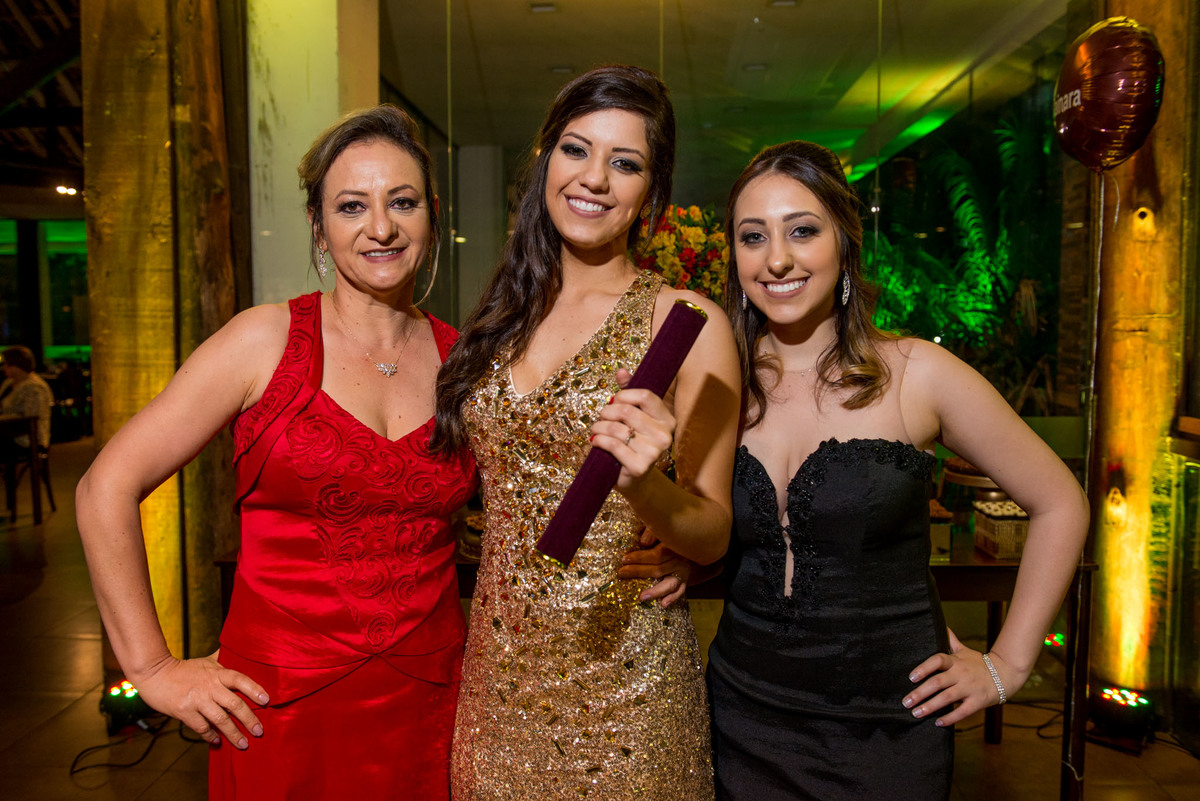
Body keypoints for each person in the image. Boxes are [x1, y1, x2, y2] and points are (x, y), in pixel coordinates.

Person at [76, 105, 477, 800]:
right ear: (319, 226)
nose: (380, 227)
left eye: (402, 202)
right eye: (351, 206)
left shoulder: (465, 361)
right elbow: (104, 485)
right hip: (278, 709)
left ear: (432, 215)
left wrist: (660, 532)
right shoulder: (263, 340)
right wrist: (153, 668)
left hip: (432, 707)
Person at [706, 141, 1090, 801]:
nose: (777, 259)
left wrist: (1008, 664)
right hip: (742, 714)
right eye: (753, 236)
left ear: (845, 242)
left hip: (887, 729)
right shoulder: (720, 380)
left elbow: (1060, 501)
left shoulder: (917, 374)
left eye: (803, 230)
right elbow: (705, 526)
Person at [434, 65, 740, 800]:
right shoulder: (496, 320)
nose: (595, 178)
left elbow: (711, 533)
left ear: (651, 194)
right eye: (576, 149)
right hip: (498, 687)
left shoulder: (684, 322)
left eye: (625, 163)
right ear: (547, 161)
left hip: (629, 691)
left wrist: (647, 487)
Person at [2, 345, 54, 514]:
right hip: (9, 435)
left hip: (28, 440)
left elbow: (32, 421)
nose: (3, 368)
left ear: (16, 365)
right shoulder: (9, 384)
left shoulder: (34, 387)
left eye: (6, 364)